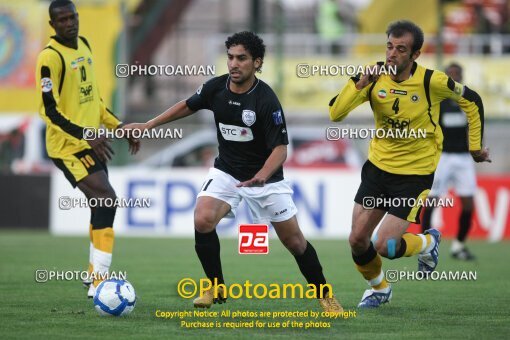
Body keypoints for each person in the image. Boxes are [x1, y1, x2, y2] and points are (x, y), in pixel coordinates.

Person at [123, 31, 342, 313]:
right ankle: (215, 286)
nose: (234, 64)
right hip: (227, 171)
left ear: (257, 63)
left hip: (266, 179)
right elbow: (187, 106)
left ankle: (325, 295)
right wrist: (148, 125)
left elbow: (281, 149)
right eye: (230, 57)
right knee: (202, 219)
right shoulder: (216, 88)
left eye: (242, 58)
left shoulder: (265, 100)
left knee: (295, 242)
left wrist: (262, 174)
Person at [329, 20, 490, 308]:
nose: (392, 54)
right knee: (357, 240)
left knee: (386, 246)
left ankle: (428, 243)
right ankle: (379, 288)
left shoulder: (433, 81)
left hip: (414, 174)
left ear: (415, 54)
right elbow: (335, 113)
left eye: (400, 49)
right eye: (389, 46)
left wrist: (475, 147)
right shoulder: (373, 76)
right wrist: (359, 84)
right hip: (378, 169)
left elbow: (473, 101)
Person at [36, 0, 139, 298]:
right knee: (107, 199)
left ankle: (94, 278)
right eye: (63, 19)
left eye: (73, 17)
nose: (71, 23)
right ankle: (98, 282)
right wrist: (87, 133)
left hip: (91, 141)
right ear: (53, 25)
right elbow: (49, 112)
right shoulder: (49, 58)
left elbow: (93, 101)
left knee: (101, 203)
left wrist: (119, 127)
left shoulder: (84, 44)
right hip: (67, 146)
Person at [421, 63, 478, 260]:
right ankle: (425, 246)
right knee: (432, 200)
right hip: (442, 157)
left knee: (469, 203)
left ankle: (459, 246)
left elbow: (476, 127)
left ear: (462, 76)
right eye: (450, 75)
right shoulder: (438, 101)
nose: (454, 78)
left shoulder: (468, 100)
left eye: (457, 74)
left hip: (464, 158)